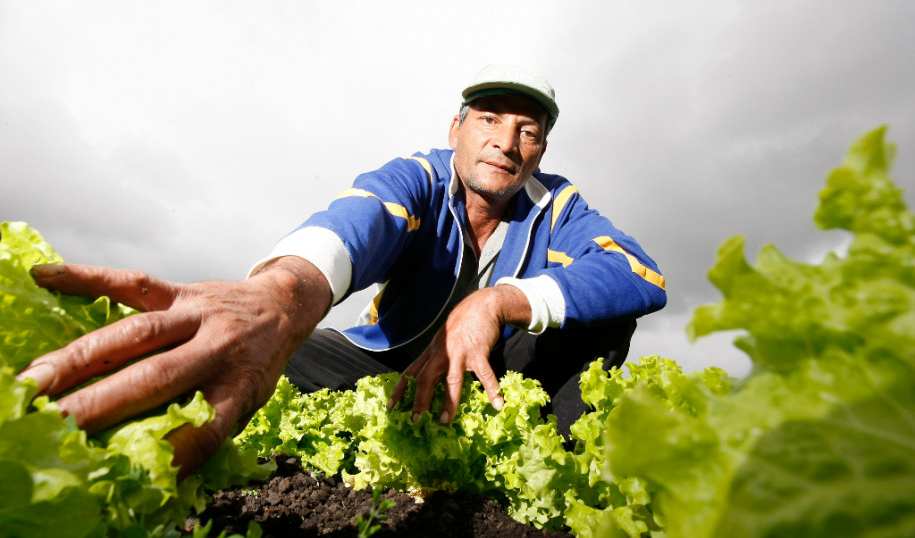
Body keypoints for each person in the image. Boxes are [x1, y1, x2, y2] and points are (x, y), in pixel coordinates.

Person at [17, 63, 666, 479]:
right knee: (262, 355)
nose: (505, 140)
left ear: (541, 150)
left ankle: (555, 471)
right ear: (456, 130)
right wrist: (279, 292)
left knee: (603, 312)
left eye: (527, 130)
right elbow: (359, 220)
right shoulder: (417, 177)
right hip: (387, 367)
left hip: (494, 377)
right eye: (489, 119)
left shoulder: (560, 205)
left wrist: (496, 300)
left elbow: (640, 274)